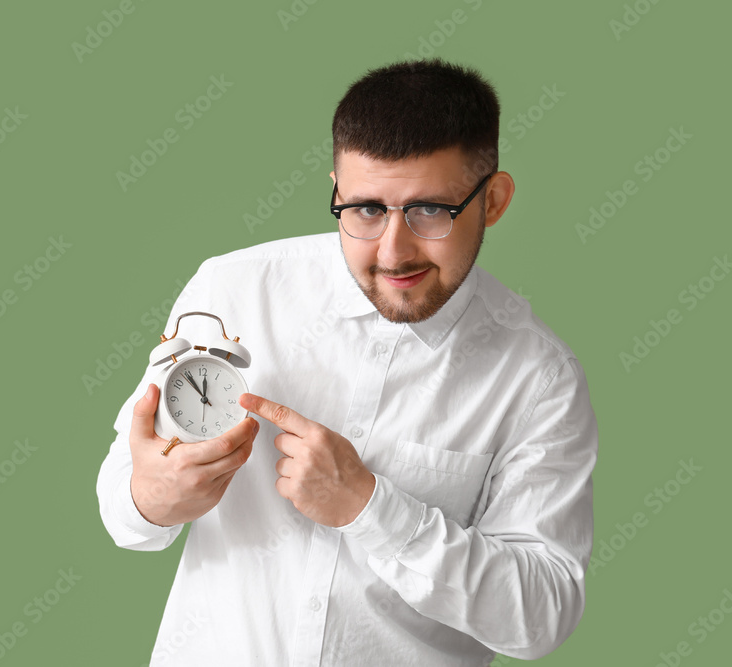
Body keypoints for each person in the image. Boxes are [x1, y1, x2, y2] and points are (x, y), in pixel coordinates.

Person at [96, 58, 597, 666]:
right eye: (365, 209)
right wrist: (149, 495)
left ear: (492, 200)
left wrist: (369, 506)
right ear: (336, 190)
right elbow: (125, 508)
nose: (393, 250)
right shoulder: (231, 291)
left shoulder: (538, 378)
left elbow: (540, 617)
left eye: (429, 210)